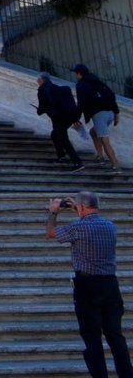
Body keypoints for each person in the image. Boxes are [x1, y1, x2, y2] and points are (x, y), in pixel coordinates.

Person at [49, 190, 133, 378]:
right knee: (115, 336)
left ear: (81, 207)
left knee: (92, 337)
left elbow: (51, 233)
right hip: (111, 285)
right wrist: (78, 209)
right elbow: (89, 219)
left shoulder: (78, 227)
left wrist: (54, 211)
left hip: (87, 285)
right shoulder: (110, 226)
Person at [75, 64, 122, 171]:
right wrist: (116, 112)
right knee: (93, 132)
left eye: (76, 74)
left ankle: (115, 164)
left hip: (99, 115)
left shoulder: (81, 85)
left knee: (105, 140)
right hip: (110, 113)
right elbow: (111, 94)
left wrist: (76, 118)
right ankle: (100, 156)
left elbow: (81, 103)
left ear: (79, 73)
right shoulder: (96, 80)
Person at [40, 74, 88, 171]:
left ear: (43, 80)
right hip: (68, 118)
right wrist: (75, 119)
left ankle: (77, 162)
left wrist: (40, 111)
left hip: (59, 118)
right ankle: (61, 156)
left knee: (64, 139)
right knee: (54, 135)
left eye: (39, 80)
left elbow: (43, 106)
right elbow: (71, 104)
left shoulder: (45, 90)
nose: (38, 82)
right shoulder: (63, 89)